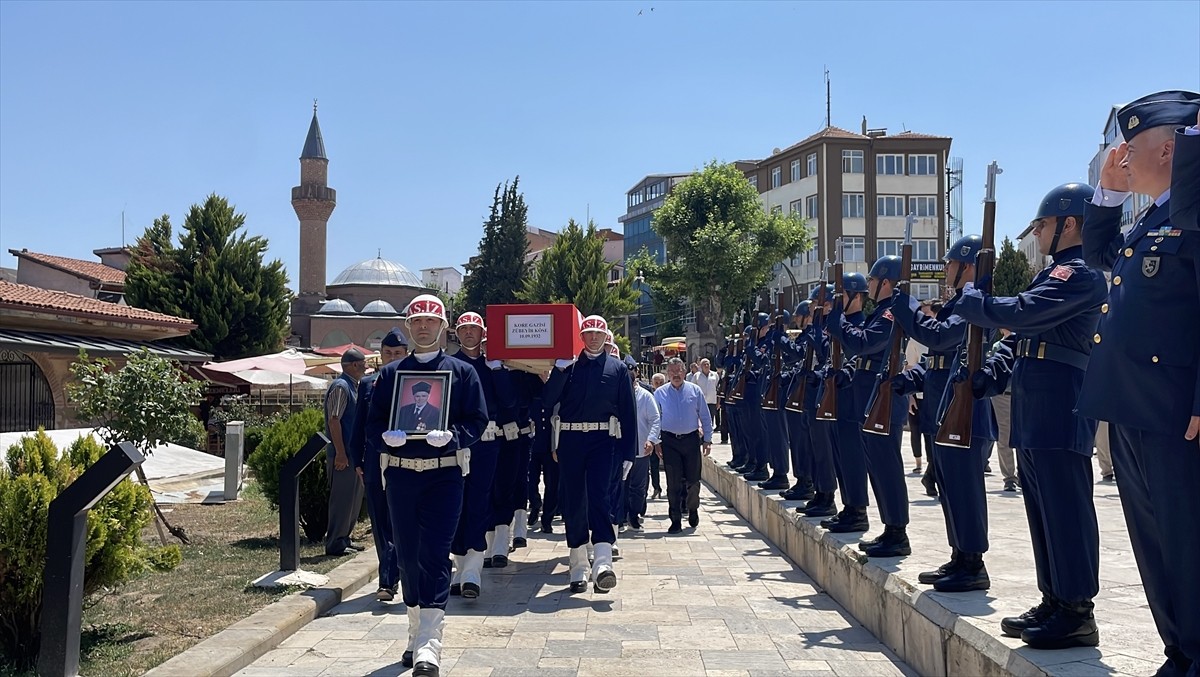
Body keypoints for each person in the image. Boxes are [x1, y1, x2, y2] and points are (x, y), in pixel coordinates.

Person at [1078, 91, 1200, 675]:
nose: (1121, 158)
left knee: (1185, 540)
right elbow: (1100, 252)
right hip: (1130, 406)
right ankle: (1179, 651)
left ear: (1171, 150)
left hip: (1176, 408)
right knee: (1152, 543)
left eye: (1131, 150)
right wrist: (1107, 193)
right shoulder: (1152, 217)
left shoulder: (1195, 216)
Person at [957, 182, 1108, 649]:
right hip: (1035, 402)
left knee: (1066, 509)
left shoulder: (1080, 273)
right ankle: (1054, 598)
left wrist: (976, 303)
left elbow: (1024, 314)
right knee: (1042, 510)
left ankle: (1078, 609)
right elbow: (1020, 340)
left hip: (1062, 402)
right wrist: (992, 374)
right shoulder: (1052, 273)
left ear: (1069, 224)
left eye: (1042, 225)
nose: (1038, 233)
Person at [365, 294, 488, 676]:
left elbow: (478, 421)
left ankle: (430, 644)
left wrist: (453, 437)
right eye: (416, 321)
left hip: (443, 474)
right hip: (401, 474)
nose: (423, 327)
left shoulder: (462, 373)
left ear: (443, 327)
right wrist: (389, 438)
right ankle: (415, 631)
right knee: (407, 556)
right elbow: (371, 428)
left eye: (431, 322)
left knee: (435, 554)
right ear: (407, 326)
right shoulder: (389, 375)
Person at [891, 235, 998, 591]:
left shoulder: (978, 302)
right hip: (947, 412)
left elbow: (939, 338)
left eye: (950, 264)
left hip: (967, 416)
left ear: (967, 266)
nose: (945, 270)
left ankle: (973, 564)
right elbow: (941, 362)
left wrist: (907, 309)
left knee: (965, 490)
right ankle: (959, 556)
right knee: (950, 488)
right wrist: (909, 380)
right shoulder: (959, 305)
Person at [543, 315, 637, 594]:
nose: (594, 337)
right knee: (573, 501)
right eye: (589, 333)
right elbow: (547, 401)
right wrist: (559, 372)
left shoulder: (618, 368)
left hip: (602, 441)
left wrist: (628, 452)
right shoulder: (568, 367)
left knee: (600, 497)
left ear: (607, 336)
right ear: (581, 337)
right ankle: (578, 564)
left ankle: (603, 563)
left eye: (599, 333)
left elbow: (628, 412)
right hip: (571, 439)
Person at [828, 260, 911, 558]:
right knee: (877, 465)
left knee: (887, 465)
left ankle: (897, 531)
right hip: (870, 394)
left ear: (886, 282)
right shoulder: (881, 312)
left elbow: (865, 343)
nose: (870, 285)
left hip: (883, 396)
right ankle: (891, 529)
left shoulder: (889, 313)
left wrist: (837, 323)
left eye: (874, 279)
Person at [446, 312, 509, 596]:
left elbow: (510, 401)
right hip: (456, 442)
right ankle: (461, 566)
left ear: (483, 332)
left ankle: (473, 565)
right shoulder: (449, 365)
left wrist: (498, 371)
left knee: (480, 501)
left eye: (474, 328)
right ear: (456, 333)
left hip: (486, 443)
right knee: (455, 503)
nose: (469, 333)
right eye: (464, 329)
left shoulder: (493, 365)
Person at [349, 328, 408, 601]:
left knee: (401, 521)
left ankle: (396, 574)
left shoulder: (414, 381)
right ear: (381, 355)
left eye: (397, 353)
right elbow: (359, 425)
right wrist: (356, 459)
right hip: (374, 462)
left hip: (406, 462)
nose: (393, 357)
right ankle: (387, 579)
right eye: (388, 353)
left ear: (406, 354)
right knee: (380, 522)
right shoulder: (369, 384)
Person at [654, 357, 714, 533]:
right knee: (673, 483)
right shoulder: (660, 393)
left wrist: (708, 440)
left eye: (678, 370)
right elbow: (656, 420)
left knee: (693, 481)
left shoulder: (695, 391)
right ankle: (675, 520)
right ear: (667, 373)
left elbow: (705, 416)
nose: (675, 374)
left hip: (691, 440)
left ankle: (692, 508)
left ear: (684, 371)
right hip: (669, 441)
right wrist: (656, 441)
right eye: (671, 371)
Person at [323, 348, 367, 557]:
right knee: (342, 501)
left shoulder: (353, 386)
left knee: (352, 500)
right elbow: (334, 420)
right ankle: (334, 543)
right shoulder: (341, 387)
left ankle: (345, 539)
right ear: (354, 365)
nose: (366, 367)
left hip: (353, 455)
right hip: (343, 455)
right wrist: (340, 453)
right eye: (363, 363)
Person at [619, 363, 660, 532]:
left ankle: (634, 516)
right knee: (620, 485)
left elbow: (655, 419)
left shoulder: (645, 396)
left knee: (638, 487)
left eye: (632, 372)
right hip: (620, 450)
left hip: (641, 450)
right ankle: (620, 517)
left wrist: (651, 440)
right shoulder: (616, 394)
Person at [647, 371, 668, 500]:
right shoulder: (649, 397)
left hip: (667, 433)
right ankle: (656, 487)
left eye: (661, 382)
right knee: (654, 463)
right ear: (652, 384)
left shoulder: (668, 396)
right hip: (654, 434)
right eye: (656, 383)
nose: (659, 385)